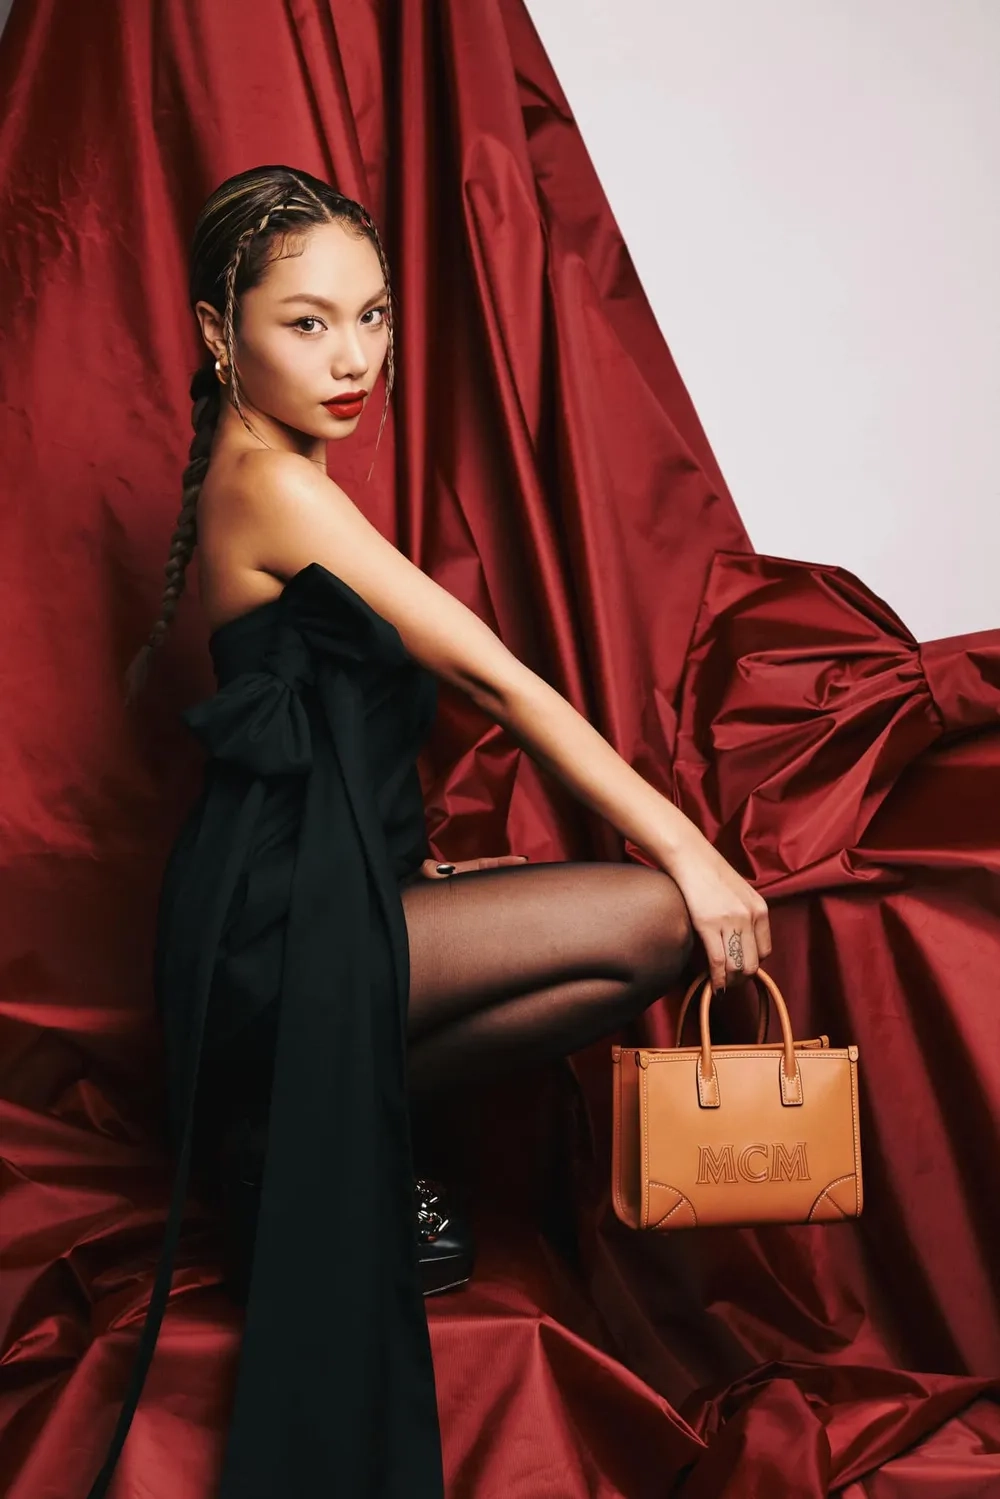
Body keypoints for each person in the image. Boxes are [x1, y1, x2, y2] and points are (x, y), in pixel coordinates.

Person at [87, 164, 771, 1499]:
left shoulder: (281, 472)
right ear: (219, 331)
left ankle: (303, 1143)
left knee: (611, 947)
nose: (354, 359)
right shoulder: (276, 489)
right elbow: (497, 681)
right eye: (306, 323)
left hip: (295, 902)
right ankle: (294, 1146)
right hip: (267, 937)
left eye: (373, 316)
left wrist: (410, 871)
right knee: (653, 917)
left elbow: (320, 738)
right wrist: (691, 852)